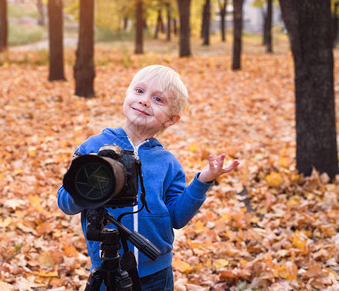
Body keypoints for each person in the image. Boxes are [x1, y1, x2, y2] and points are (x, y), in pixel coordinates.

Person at [57, 65, 239, 290]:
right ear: (126, 95)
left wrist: (202, 180)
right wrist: (88, 182)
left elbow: (177, 217)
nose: (144, 101)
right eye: (139, 91)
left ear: (171, 120)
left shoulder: (167, 162)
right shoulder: (94, 147)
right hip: (106, 266)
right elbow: (65, 203)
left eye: (158, 100)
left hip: (157, 272)